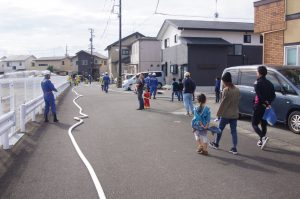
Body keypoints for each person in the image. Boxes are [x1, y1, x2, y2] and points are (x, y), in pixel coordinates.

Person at [209, 72, 240, 155]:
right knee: (233, 131)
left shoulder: (226, 90)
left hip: (225, 114)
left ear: (225, 81)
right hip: (234, 113)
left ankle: (216, 143)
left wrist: (218, 114)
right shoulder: (237, 90)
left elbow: (223, 103)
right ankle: (234, 148)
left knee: (220, 129)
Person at [252, 66, 276, 149]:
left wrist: (264, 102)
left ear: (259, 73)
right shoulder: (270, 83)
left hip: (258, 106)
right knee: (263, 124)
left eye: (257, 72)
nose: (256, 73)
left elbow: (259, 95)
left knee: (254, 124)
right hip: (266, 107)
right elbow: (273, 96)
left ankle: (263, 138)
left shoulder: (257, 83)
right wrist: (268, 103)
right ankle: (262, 141)